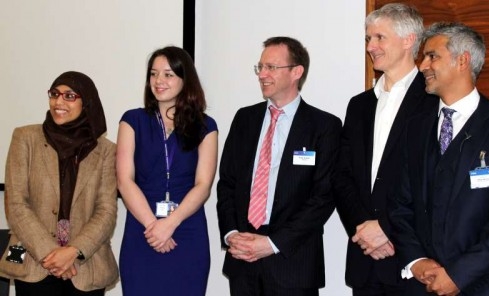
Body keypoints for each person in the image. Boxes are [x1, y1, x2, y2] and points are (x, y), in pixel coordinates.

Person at [217, 36, 341, 296]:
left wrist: (273, 243)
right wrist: (231, 234)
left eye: (271, 67)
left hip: (293, 263)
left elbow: (323, 197)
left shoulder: (324, 126)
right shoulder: (244, 119)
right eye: (259, 67)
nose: (262, 74)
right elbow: (227, 183)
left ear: (296, 72)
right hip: (243, 260)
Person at [333, 4, 438, 295]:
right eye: (368, 39)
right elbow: (342, 175)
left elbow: (433, 181)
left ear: (409, 40)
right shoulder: (359, 105)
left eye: (379, 37)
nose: (371, 46)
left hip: (413, 259)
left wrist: (386, 229)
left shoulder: (434, 101)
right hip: (365, 259)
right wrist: (364, 229)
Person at [389, 22, 489, 295]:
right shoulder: (414, 127)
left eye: (432, 56)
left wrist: (459, 275)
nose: (423, 65)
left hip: (484, 285)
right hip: (421, 284)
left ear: (462, 60)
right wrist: (417, 261)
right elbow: (398, 203)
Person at [0, 71, 119, 296]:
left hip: (85, 264)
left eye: (69, 96)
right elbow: (16, 204)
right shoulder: (25, 138)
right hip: (33, 261)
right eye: (54, 94)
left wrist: (73, 252)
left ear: (87, 103)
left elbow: (106, 211)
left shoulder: (106, 151)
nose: (58, 102)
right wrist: (52, 254)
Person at [117, 46, 218, 296]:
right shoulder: (132, 120)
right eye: (153, 74)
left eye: (168, 74)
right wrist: (154, 226)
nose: (158, 81)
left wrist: (170, 224)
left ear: (186, 80)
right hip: (143, 229)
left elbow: (203, 184)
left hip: (187, 228)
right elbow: (124, 180)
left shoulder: (206, 125)